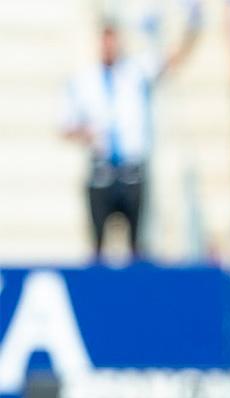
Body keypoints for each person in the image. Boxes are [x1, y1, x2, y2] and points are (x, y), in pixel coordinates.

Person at [62, 10, 200, 259]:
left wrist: (192, 29)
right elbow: (66, 125)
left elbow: (172, 60)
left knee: (139, 244)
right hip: (101, 171)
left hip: (132, 171)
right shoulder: (84, 80)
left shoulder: (136, 72)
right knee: (97, 246)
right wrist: (86, 133)